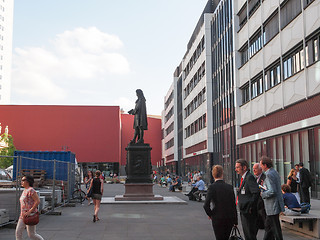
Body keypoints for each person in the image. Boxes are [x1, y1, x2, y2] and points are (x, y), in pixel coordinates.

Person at [203, 165, 237, 240]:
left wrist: (210, 214)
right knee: (226, 237)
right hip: (229, 217)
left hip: (217, 217)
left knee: (219, 237)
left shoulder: (212, 187)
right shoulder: (229, 187)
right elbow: (233, 204)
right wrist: (235, 220)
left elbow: (206, 205)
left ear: (213, 175)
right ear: (222, 174)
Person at [260, 156, 285, 240]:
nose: (261, 167)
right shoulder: (274, 172)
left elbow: (272, 191)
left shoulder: (268, 174)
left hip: (272, 206)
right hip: (275, 204)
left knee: (275, 228)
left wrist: (262, 194)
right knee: (269, 228)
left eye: (261, 165)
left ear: (265, 165)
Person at [235, 159, 259, 240]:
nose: (236, 169)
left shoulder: (249, 178)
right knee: (247, 234)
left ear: (244, 167)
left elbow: (256, 193)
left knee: (250, 234)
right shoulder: (244, 178)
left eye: (238, 167)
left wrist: (250, 207)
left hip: (248, 211)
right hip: (244, 210)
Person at [16, 175, 44, 240]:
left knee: (32, 234)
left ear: (28, 181)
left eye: (23, 180)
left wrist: (30, 211)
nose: (21, 182)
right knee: (18, 232)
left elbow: (37, 201)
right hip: (23, 215)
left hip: (30, 215)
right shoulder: (25, 190)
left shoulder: (31, 190)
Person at [253, 163, 266, 231]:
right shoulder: (255, 178)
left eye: (255, 169)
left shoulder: (264, 177)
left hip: (263, 203)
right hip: (258, 203)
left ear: (260, 169)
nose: (253, 170)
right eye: (253, 169)